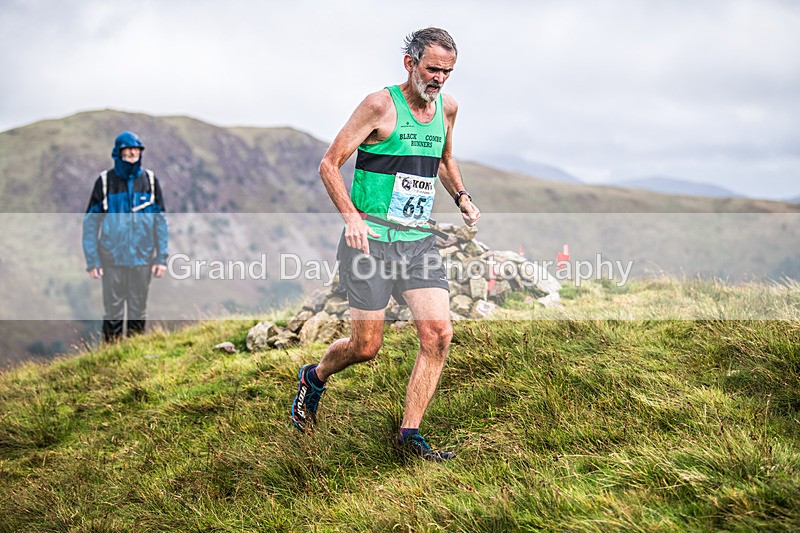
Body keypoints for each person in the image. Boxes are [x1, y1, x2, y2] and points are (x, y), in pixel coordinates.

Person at [291, 27, 480, 461]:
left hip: (417, 243)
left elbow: (444, 160)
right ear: (410, 64)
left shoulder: (447, 109)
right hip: (370, 245)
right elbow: (329, 163)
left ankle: (409, 436)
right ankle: (314, 377)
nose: (439, 79)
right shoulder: (379, 105)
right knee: (366, 347)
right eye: (432, 69)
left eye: (447, 72)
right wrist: (352, 218)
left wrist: (462, 196)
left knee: (438, 335)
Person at [82, 131, 168, 343]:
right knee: (113, 313)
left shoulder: (150, 181)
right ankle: (111, 357)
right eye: (128, 149)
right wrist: (93, 260)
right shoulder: (104, 182)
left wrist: (161, 258)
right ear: (118, 152)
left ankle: (134, 357)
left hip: (142, 258)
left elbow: (161, 222)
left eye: (136, 149)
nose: (132, 153)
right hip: (112, 259)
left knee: (138, 311)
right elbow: (91, 223)